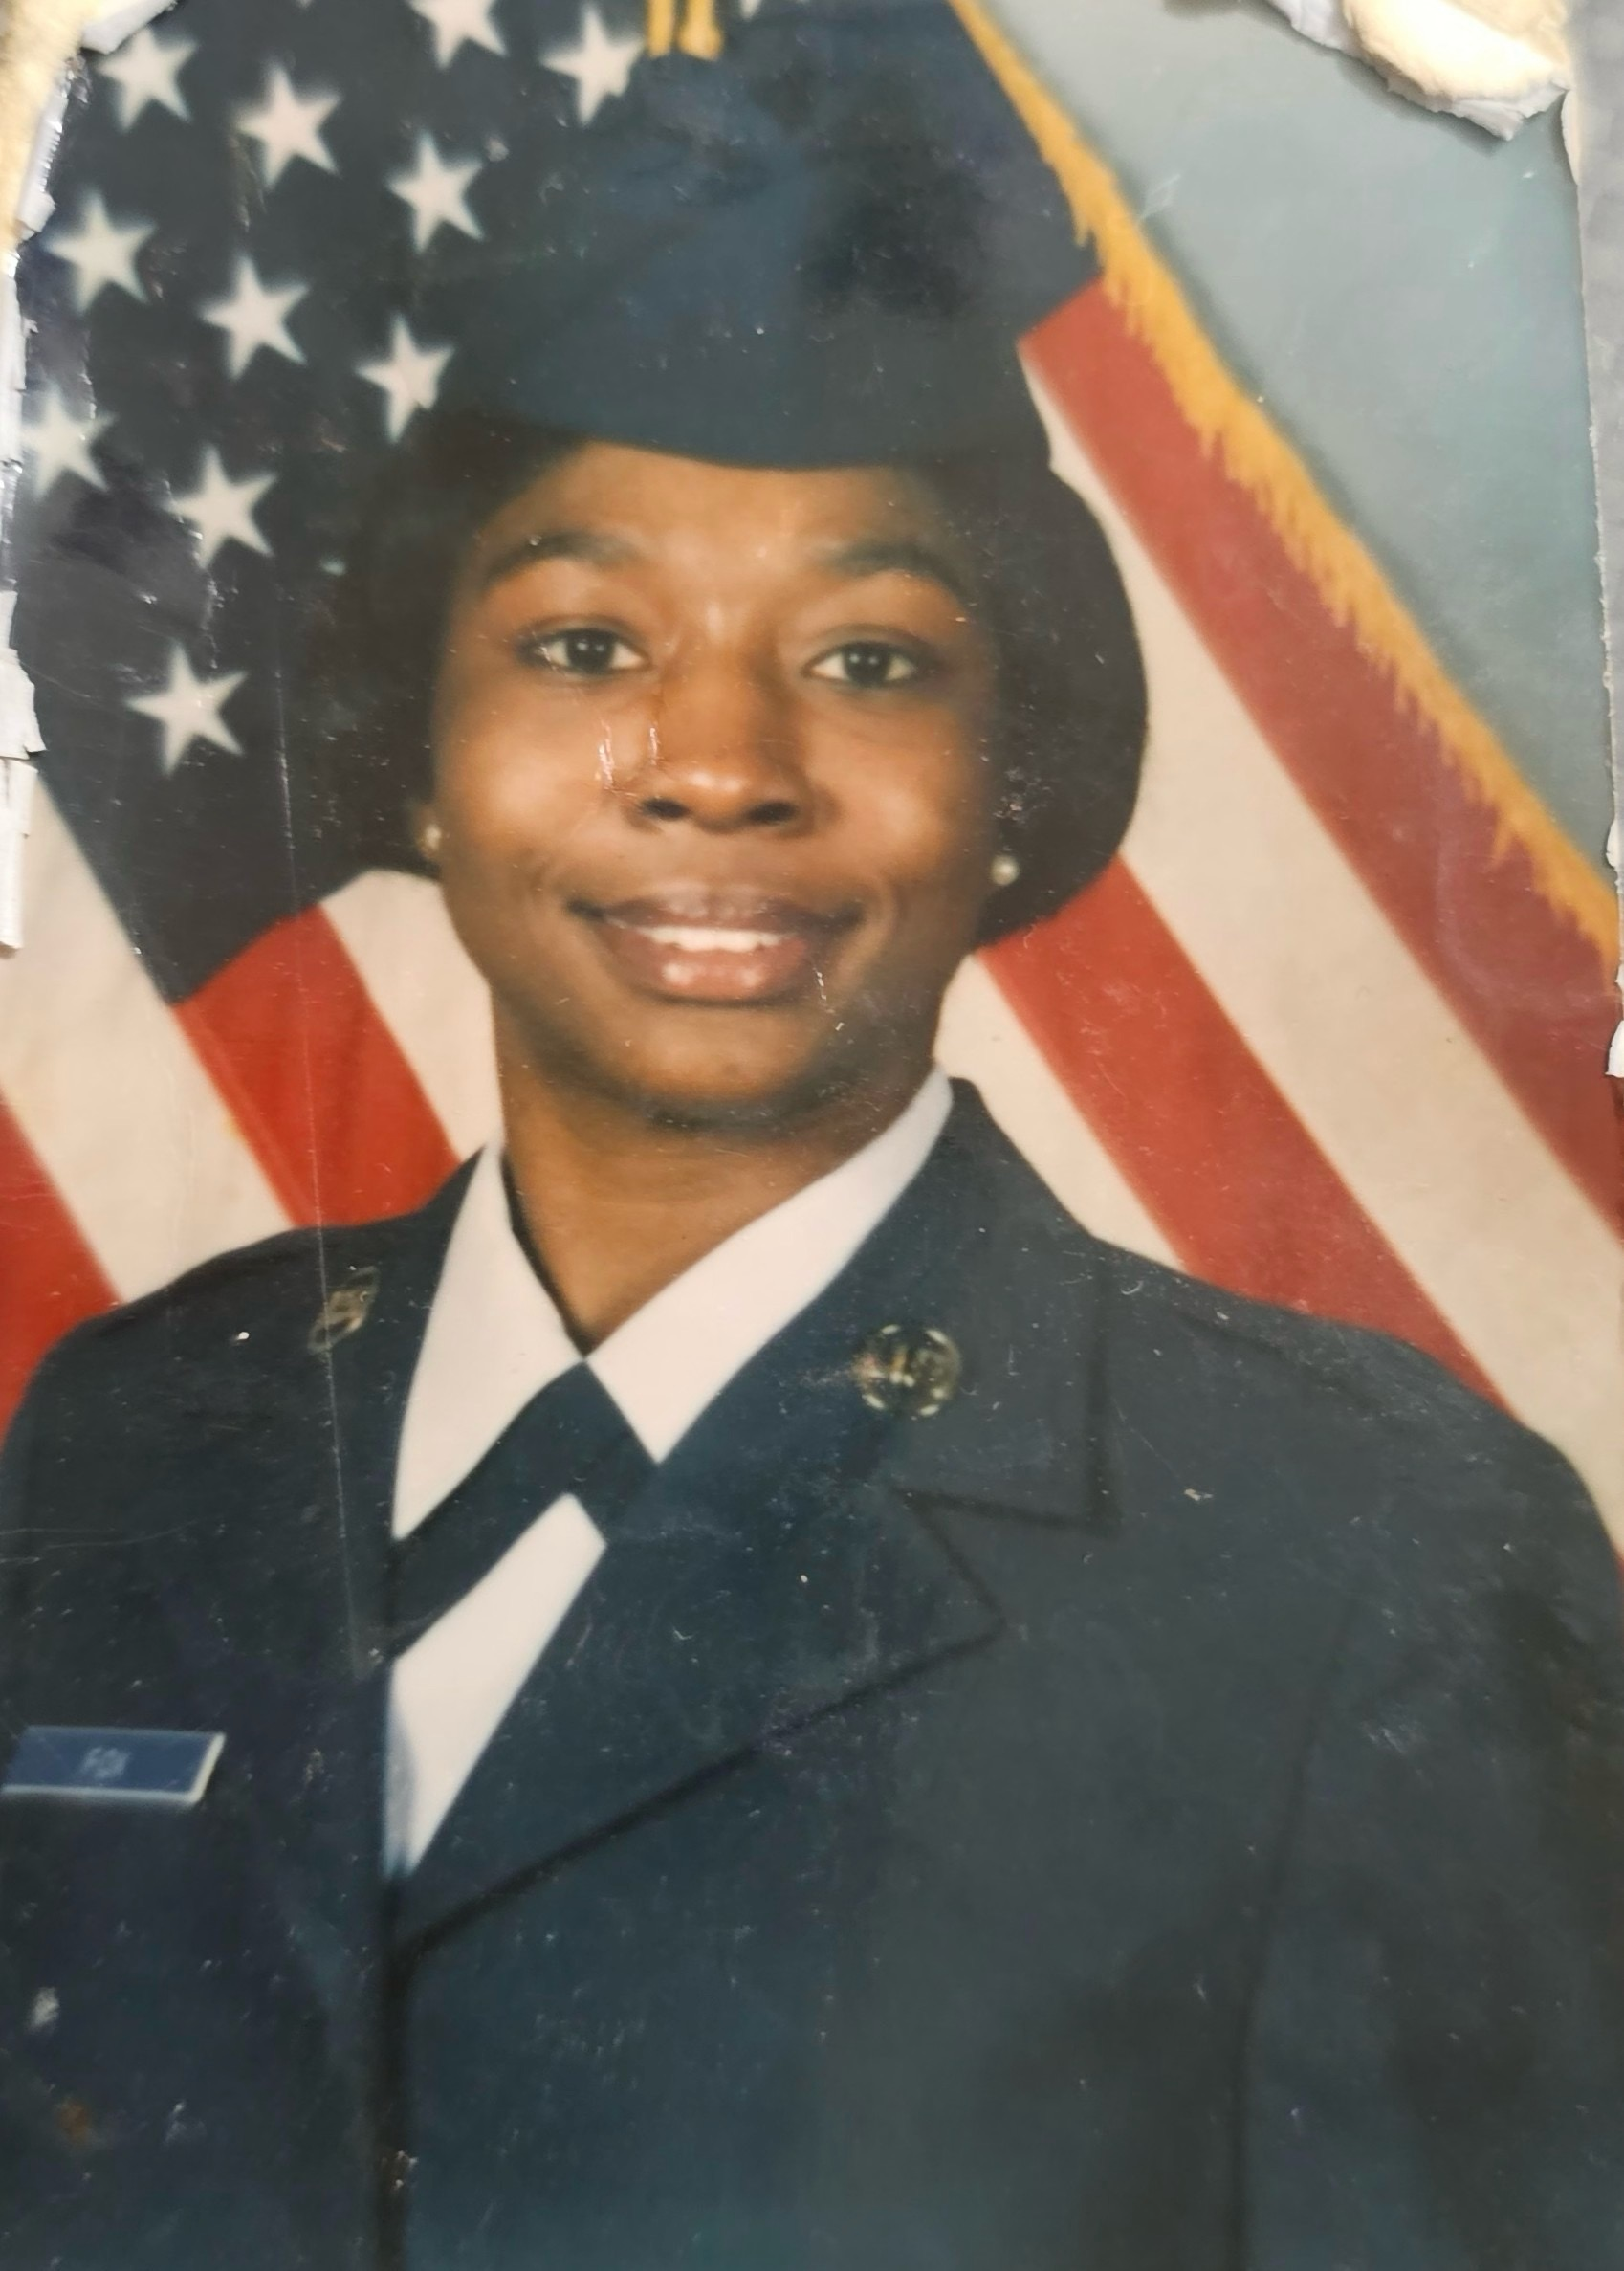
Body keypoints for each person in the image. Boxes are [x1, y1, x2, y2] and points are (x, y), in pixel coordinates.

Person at [3, 19, 1624, 2271]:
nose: (720, 762)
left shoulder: (1375, 1561)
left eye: (869, 660)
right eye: (584, 640)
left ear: (1012, 779)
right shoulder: (131, 1438)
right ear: (419, 756)